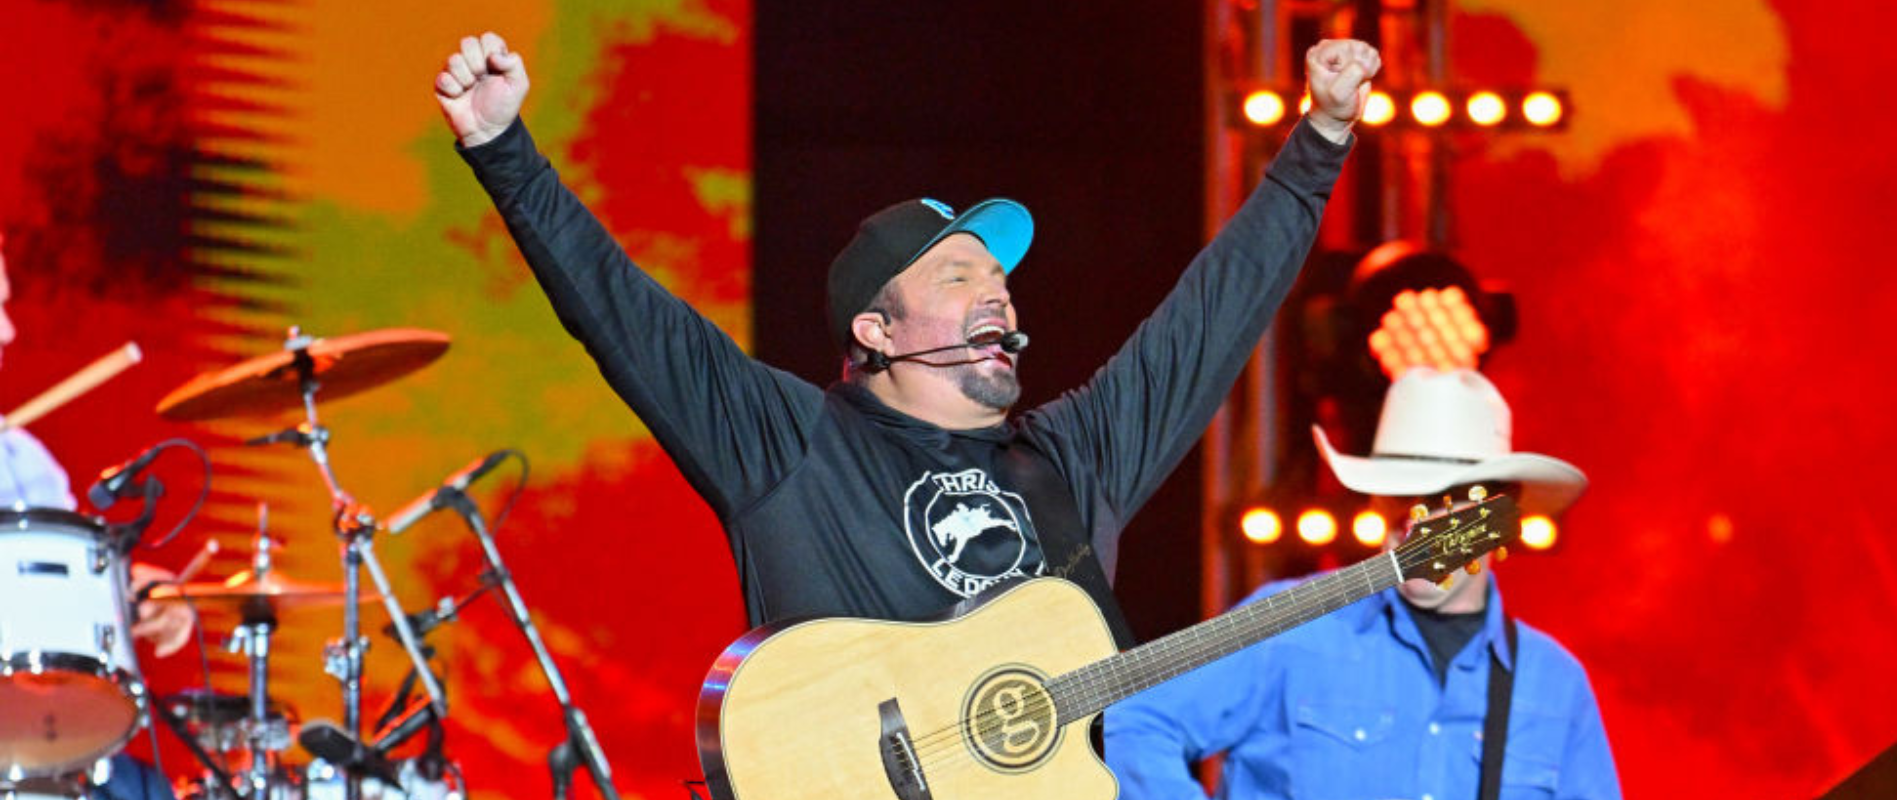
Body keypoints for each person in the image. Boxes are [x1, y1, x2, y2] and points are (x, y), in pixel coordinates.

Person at [432, 32, 1380, 628]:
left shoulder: (1073, 456)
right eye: (959, 272)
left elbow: (1210, 319)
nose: (997, 294)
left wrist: (1320, 145)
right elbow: (625, 315)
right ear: (876, 330)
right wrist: (504, 152)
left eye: (1000, 277)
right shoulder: (792, 444)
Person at [1105, 367, 1621, 800]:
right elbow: (1132, 723)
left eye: (1443, 502)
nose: (1415, 523)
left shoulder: (1554, 685)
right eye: (1397, 497)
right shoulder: (1292, 622)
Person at [0, 236, 188, 798]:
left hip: (24, 732)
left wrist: (132, 594)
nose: (8, 332)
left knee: (144, 791)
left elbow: (55, 588)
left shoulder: (22, 460)